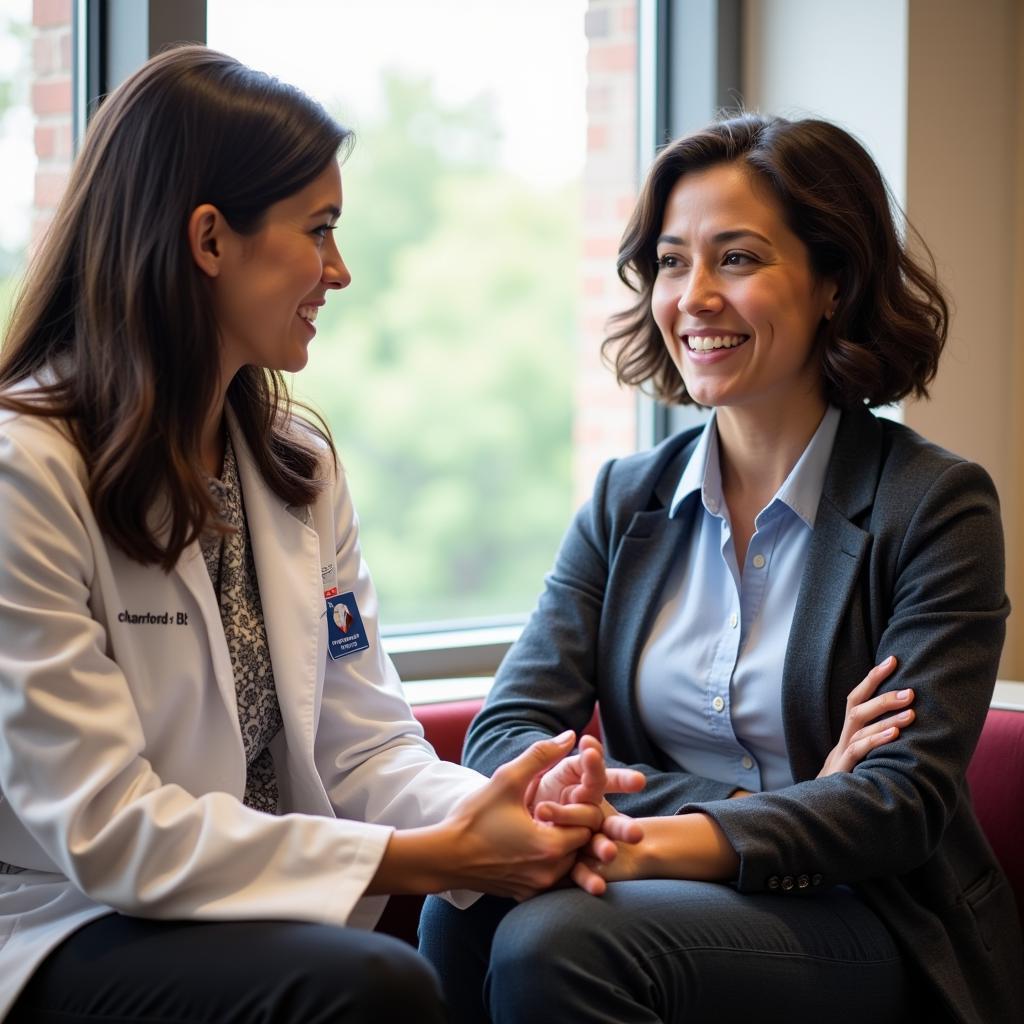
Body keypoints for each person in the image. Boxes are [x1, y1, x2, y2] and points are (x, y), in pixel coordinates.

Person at [0, 45, 654, 1024]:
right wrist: (429, 857)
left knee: (507, 919)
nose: (338, 271)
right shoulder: (29, 473)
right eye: (319, 231)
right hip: (75, 924)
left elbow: (363, 748)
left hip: (255, 918)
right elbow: (108, 829)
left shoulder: (294, 464)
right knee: (374, 986)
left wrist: (497, 818)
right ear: (210, 239)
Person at [419, 113, 1024, 1024]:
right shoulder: (627, 501)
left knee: (557, 942)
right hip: (675, 885)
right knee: (461, 908)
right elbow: (505, 736)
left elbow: (898, 806)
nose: (693, 296)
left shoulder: (934, 507)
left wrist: (651, 842)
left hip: (872, 920)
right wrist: (775, 797)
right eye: (670, 261)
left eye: (736, 258)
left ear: (833, 281)